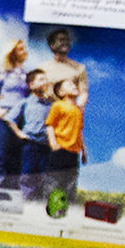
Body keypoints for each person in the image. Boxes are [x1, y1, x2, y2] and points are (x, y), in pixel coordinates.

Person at [0, 37, 33, 193]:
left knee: (18, 156)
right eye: (20, 49)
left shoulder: (28, 75)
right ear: (12, 53)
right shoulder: (3, 73)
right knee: (2, 155)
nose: (24, 51)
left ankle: (12, 194)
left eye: (24, 48)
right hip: (4, 118)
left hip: (21, 120)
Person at [43, 77, 85, 208]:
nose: (74, 86)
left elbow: (79, 131)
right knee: (54, 178)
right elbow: (50, 125)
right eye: (69, 85)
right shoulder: (58, 105)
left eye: (74, 84)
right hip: (60, 148)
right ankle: (48, 205)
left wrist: (84, 150)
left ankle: (66, 207)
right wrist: (53, 143)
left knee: (71, 180)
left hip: (74, 152)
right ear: (61, 93)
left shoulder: (79, 110)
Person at [18, 67, 55, 201]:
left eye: (46, 79)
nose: (45, 82)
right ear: (31, 85)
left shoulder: (50, 105)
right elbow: (10, 119)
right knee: (28, 173)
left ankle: (38, 202)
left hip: (46, 145)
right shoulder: (26, 102)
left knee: (43, 174)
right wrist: (19, 133)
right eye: (41, 79)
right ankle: (25, 199)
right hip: (30, 143)